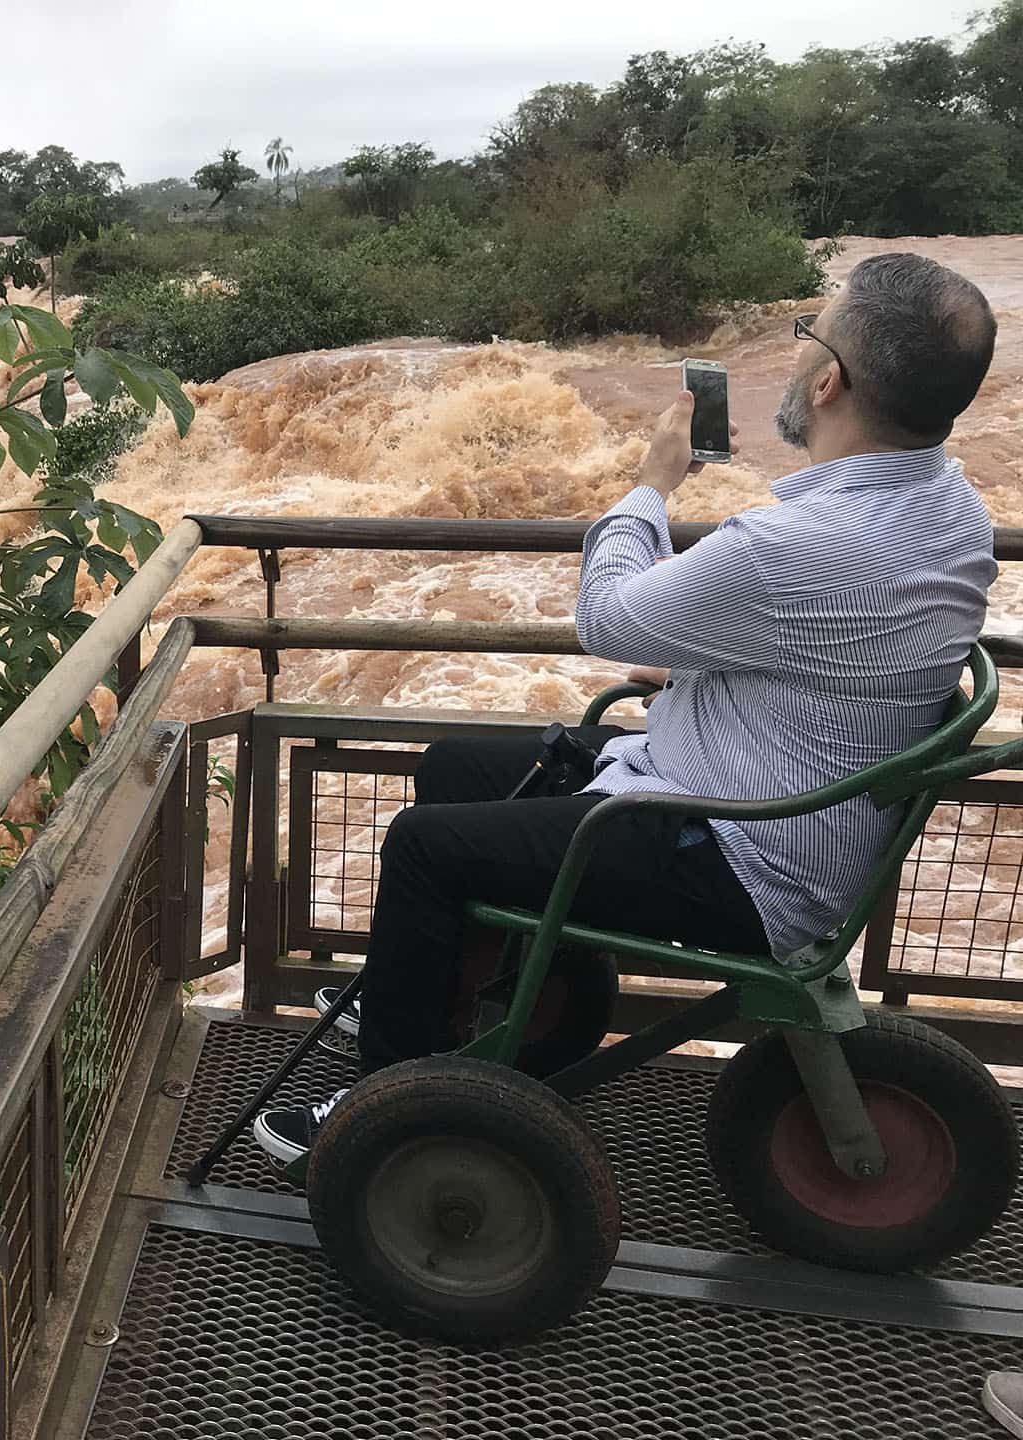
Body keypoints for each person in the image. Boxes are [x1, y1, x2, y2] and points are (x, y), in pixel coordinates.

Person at [255, 251, 1000, 1167]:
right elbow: (830, 645)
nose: (802, 351)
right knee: (453, 765)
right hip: (789, 805)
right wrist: (714, 672)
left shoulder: (788, 544)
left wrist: (652, 484)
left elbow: (605, 617)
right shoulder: (953, 506)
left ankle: (387, 1111)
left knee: (424, 849)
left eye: (810, 333)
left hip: (738, 852)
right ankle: (451, 992)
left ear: (832, 379)